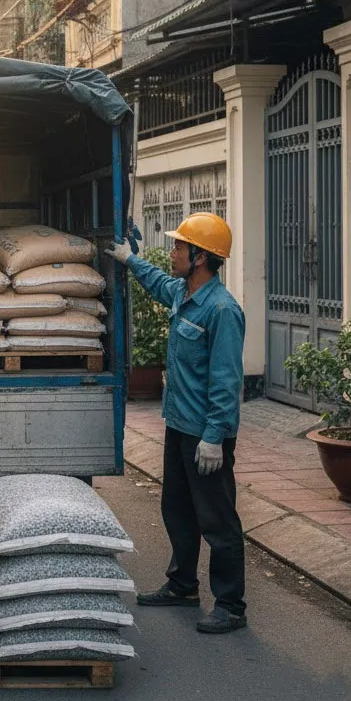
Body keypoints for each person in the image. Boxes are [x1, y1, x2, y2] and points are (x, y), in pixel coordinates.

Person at [107, 212, 247, 634]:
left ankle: (231, 605)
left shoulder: (222, 310)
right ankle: (183, 584)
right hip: (179, 425)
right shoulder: (184, 294)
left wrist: (214, 438)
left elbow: (226, 381)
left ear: (200, 257)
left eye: (179, 247)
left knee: (218, 521)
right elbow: (156, 282)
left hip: (206, 434)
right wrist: (131, 260)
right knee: (178, 510)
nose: (173, 253)